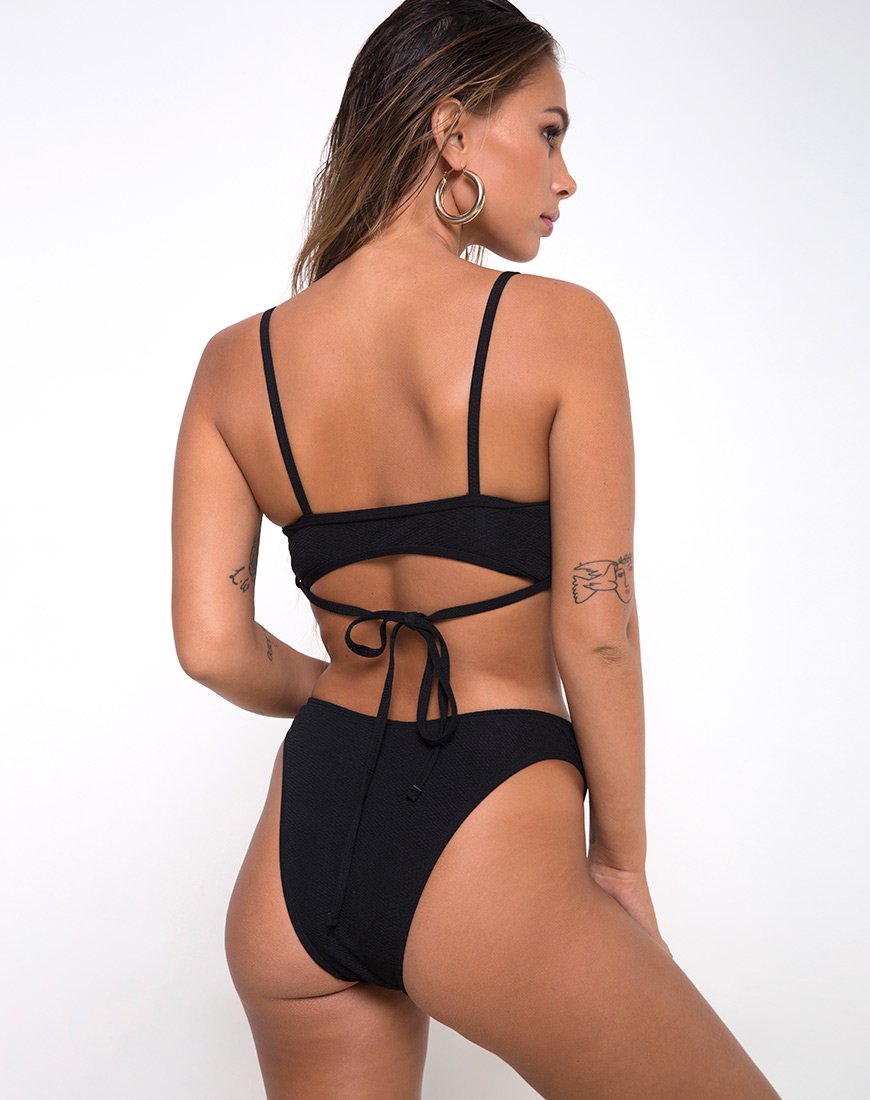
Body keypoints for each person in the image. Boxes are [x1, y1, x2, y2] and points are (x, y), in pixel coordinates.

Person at [171, 1, 782, 1096]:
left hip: (295, 861)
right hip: (487, 830)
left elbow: (211, 646)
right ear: (453, 132)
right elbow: (597, 628)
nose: (566, 176)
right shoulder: (562, 328)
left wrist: (346, 686)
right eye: (549, 131)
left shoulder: (234, 365)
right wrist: (621, 863)